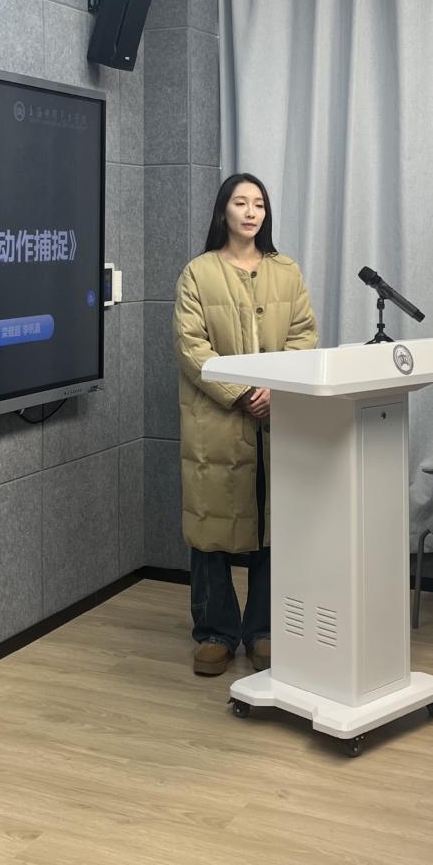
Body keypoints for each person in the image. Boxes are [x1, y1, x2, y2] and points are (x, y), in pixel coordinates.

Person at [172, 173, 318, 676]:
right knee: (210, 524)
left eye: (259, 204)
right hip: (215, 421)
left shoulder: (286, 271)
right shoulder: (198, 273)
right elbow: (190, 346)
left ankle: (264, 630)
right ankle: (215, 632)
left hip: (275, 420)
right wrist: (241, 392)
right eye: (241, 203)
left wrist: (275, 390)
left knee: (271, 524)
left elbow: (303, 335)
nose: (251, 212)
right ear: (223, 212)